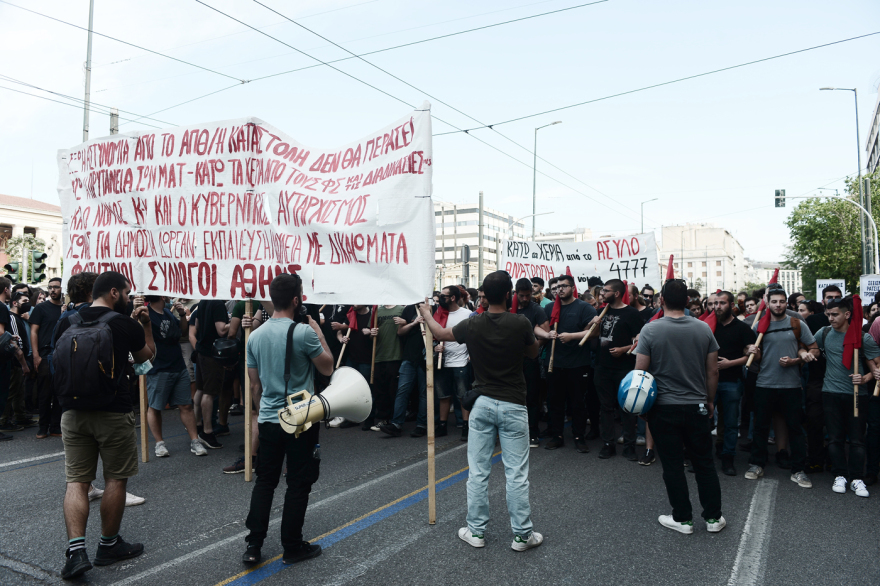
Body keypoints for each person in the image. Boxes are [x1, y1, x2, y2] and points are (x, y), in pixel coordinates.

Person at [421, 270, 543, 552]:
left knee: (478, 472)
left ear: (485, 296)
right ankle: (522, 535)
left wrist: (427, 312)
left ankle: (475, 531)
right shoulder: (520, 322)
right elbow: (534, 354)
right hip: (513, 403)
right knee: (516, 474)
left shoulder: (472, 324)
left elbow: (439, 333)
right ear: (509, 294)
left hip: (482, 403)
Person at [55, 272, 156, 580]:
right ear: (114, 293)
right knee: (115, 479)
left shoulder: (67, 321)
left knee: (77, 482)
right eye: (126, 293)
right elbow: (146, 361)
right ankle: (108, 545)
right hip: (113, 411)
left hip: (72, 413)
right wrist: (146, 325)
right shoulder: (123, 324)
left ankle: (75, 552)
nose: (129, 297)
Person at [242, 274, 333, 566]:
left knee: (265, 481)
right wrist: (318, 330)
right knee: (298, 482)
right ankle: (292, 546)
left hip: (268, 418)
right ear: (296, 300)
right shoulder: (304, 333)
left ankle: (253, 546)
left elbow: (255, 385)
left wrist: (264, 411)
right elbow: (328, 367)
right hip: (301, 419)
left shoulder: (254, 336)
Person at [635, 279, 724, 535]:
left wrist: (642, 406)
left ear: (661, 300)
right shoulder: (704, 329)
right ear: (687, 301)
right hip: (696, 405)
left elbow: (639, 372)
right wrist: (709, 401)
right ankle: (713, 518)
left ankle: (683, 519)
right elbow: (713, 372)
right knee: (704, 463)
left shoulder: (650, 330)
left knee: (672, 465)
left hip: (663, 408)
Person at [745, 287, 818, 488]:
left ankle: (798, 470)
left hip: (791, 385)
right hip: (764, 383)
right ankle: (756, 464)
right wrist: (751, 350)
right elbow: (755, 357)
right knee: (760, 427)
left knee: (795, 427)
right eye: (774, 301)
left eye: (782, 301)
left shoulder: (797, 324)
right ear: (768, 303)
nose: (778, 305)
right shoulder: (759, 325)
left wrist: (797, 359)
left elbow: (814, 349)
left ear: (787, 303)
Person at [812, 297, 880, 497]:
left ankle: (857, 478)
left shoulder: (863, 337)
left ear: (847, 314)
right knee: (834, 438)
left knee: (857, 439)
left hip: (857, 394)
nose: (830, 318)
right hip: (831, 392)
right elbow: (809, 347)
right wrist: (804, 354)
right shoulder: (823, 333)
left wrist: (866, 377)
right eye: (828, 315)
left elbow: (876, 363)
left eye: (835, 314)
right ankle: (840, 474)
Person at [143, 296, 206, 458]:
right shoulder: (146, 313)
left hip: (178, 366)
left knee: (186, 405)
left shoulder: (167, 312)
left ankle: (195, 440)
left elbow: (182, 332)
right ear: (161, 295)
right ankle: (159, 443)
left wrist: (182, 315)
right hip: (158, 368)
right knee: (155, 407)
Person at [589, 279, 643, 460]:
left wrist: (624, 349)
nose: (602, 293)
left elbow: (639, 341)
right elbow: (593, 336)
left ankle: (629, 445)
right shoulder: (601, 311)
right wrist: (593, 324)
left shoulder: (632, 314)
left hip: (624, 368)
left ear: (617, 293)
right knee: (605, 407)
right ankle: (608, 444)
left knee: (627, 408)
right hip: (602, 367)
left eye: (606, 291)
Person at [542, 274, 598, 453]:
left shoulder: (583, 307)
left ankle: (578, 436)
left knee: (577, 402)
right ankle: (556, 435)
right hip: (554, 362)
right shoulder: (550, 307)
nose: (560, 289)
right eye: (558, 287)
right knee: (555, 401)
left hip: (578, 363)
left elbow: (594, 333)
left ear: (573, 288)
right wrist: (546, 334)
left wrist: (572, 336)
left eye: (564, 286)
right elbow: (541, 329)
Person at [712, 291, 756, 476]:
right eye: (714, 303)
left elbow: (753, 356)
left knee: (730, 422)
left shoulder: (742, 328)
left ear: (731, 305)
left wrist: (730, 363)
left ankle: (728, 457)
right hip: (709, 382)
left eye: (721, 303)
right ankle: (701, 456)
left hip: (732, 382)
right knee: (703, 421)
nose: (717, 307)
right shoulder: (708, 326)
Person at [379, 304, 429, 438]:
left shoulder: (432, 308)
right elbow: (400, 332)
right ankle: (396, 424)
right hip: (409, 356)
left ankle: (421, 425)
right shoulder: (409, 309)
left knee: (424, 392)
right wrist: (413, 324)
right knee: (402, 390)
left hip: (426, 356)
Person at [511, 278, 550, 446]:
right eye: (522, 296)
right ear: (516, 293)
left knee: (532, 397)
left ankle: (533, 431)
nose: (525, 299)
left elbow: (545, 333)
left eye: (528, 295)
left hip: (530, 360)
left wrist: (533, 349)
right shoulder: (508, 308)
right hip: (511, 361)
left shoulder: (537, 310)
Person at [193, 298, 232, 449]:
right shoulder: (218, 304)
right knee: (209, 393)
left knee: (201, 390)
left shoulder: (203, 301)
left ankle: (197, 425)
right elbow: (221, 329)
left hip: (201, 350)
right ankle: (207, 432)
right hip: (212, 353)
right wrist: (235, 321)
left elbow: (196, 325)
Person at [28, 277, 64, 438]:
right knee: (44, 393)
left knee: (59, 392)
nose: (52, 290)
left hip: (62, 356)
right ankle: (43, 427)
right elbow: (34, 331)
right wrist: (36, 355)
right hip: (44, 355)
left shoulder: (66, 310)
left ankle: (55, 426)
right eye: (50, 287)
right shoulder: (41, 308)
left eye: (56, 287)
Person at [434, 287, 472, 439]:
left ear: (453, 298)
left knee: (463, 396)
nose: (441, 297)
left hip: (461, 361)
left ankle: (466, 425)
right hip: (442, 361)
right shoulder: (438, 314)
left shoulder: (467, 314)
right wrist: (435, 346)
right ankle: (442, 425)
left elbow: (472, 336)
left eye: (444, 296)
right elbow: (433, 336)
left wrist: (470, 355)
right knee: (443, 395)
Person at [334, 305, 375, 429]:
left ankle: (369, 418)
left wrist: (371, 333)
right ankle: (353, 418)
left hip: (366, 360)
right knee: (351, 390)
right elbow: (339, 332)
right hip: (352, 358)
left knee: (367, 389)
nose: (354, 304)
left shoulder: (372, 316)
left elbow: (377, 336)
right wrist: (341, 339)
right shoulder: (351, 315)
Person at [0, 290, 33, 432]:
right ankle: (4, 421)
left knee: (18, 390)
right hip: (13, 361)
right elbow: (15, 344)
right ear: (15, 303)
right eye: (24, 301)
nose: (28, 304)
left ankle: (20, 416)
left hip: (17, 361)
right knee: (10, 392)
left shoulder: (20, 317)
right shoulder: (12, 318)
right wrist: (22, 362)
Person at [371, 304, 405, 430]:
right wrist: (371, 333)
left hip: (395, 355)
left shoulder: (401, 309)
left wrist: (404, 322)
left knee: (394, 390)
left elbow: (408, 328)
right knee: (380, 390)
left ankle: (395, 421)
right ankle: (384, 420)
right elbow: (371, 333)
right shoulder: (376, 311)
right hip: (379, 355)